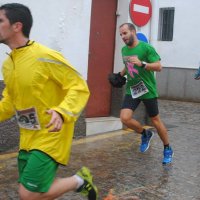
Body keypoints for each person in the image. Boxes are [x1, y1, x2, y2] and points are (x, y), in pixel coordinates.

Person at [0, 3, 98, 200]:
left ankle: (79, 181)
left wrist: (62, 111)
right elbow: (10, 102)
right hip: (27, 137)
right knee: (38, 191)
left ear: (16, 26)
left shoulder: (45, 56)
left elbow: (78, 86)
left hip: (51, 134)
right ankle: (81, 181)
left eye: (0, 20)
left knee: (28, 194)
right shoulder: (8, 64)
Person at [118, 23, 173, 165]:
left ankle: (167, 148)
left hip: (147, 89)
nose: (123, 37)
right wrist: (119, 74)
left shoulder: (146, 48)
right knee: (125, 118)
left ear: (133, 31)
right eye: (121, 35)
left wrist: (142, 64)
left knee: (155, 120)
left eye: (125, 33)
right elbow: (127, 65)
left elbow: (159, 66)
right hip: (132, 89)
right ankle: (145, 133)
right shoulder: (124, 50)